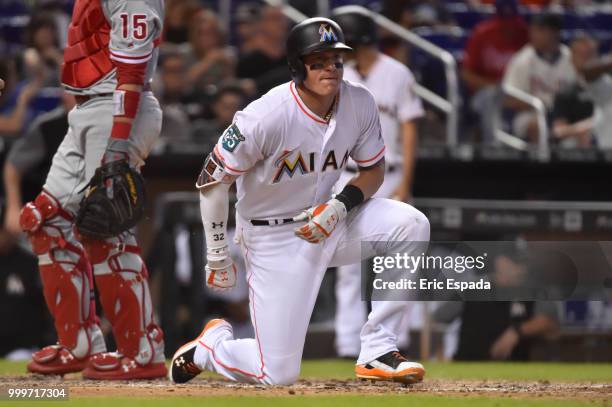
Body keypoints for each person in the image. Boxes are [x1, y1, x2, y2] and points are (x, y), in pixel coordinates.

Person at [169, 17, 429, 386]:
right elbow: (212, 181)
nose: (331, 69)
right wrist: (217, 254)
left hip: (328, 221)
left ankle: (379, 349)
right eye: (318, 61)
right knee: (276, 373)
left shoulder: (359, 102)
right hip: (273, 239)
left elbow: (373, 171)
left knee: (411, 223)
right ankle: (212, 348)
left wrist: (340, 206)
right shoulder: (265, 115)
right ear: (297, 66)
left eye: (336, 60)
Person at [18, 0, 166, 379]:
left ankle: (142, 350)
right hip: (86, 111)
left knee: (104, 230)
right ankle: (78, 343)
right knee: (44, 221)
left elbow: (131, 68)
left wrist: (118, 143)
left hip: (118, 110)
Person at [330, 7, 424, 359]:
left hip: (391, 172)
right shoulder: (339, 74)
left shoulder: (396, 73)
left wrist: (407, 184)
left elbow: (410, 127)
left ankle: (392, 341)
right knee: (348, 266)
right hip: (347, 174)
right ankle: (345, 343)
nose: (349, 54)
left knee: (396, 261)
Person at [461, 0, 528, 142]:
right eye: (504, 21)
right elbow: (466, 74)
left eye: (511, 21)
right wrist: (493, 85)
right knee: (491, 97)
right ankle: (493, 147)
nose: (508, 26)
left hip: (517, 91)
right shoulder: (482, 34)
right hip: (486, 91)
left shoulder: (524, 34)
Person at [502, 13, 576, 141]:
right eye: (534, 30)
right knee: (538, 126)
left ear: (554, 33)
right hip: (531, 113)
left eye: (540, 30)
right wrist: (540, 106)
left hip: (565, 115)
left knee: (581, 127)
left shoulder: (570, 58)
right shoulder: (522, 60)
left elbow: (579, 94)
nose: (532, 35)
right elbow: (508, 98)